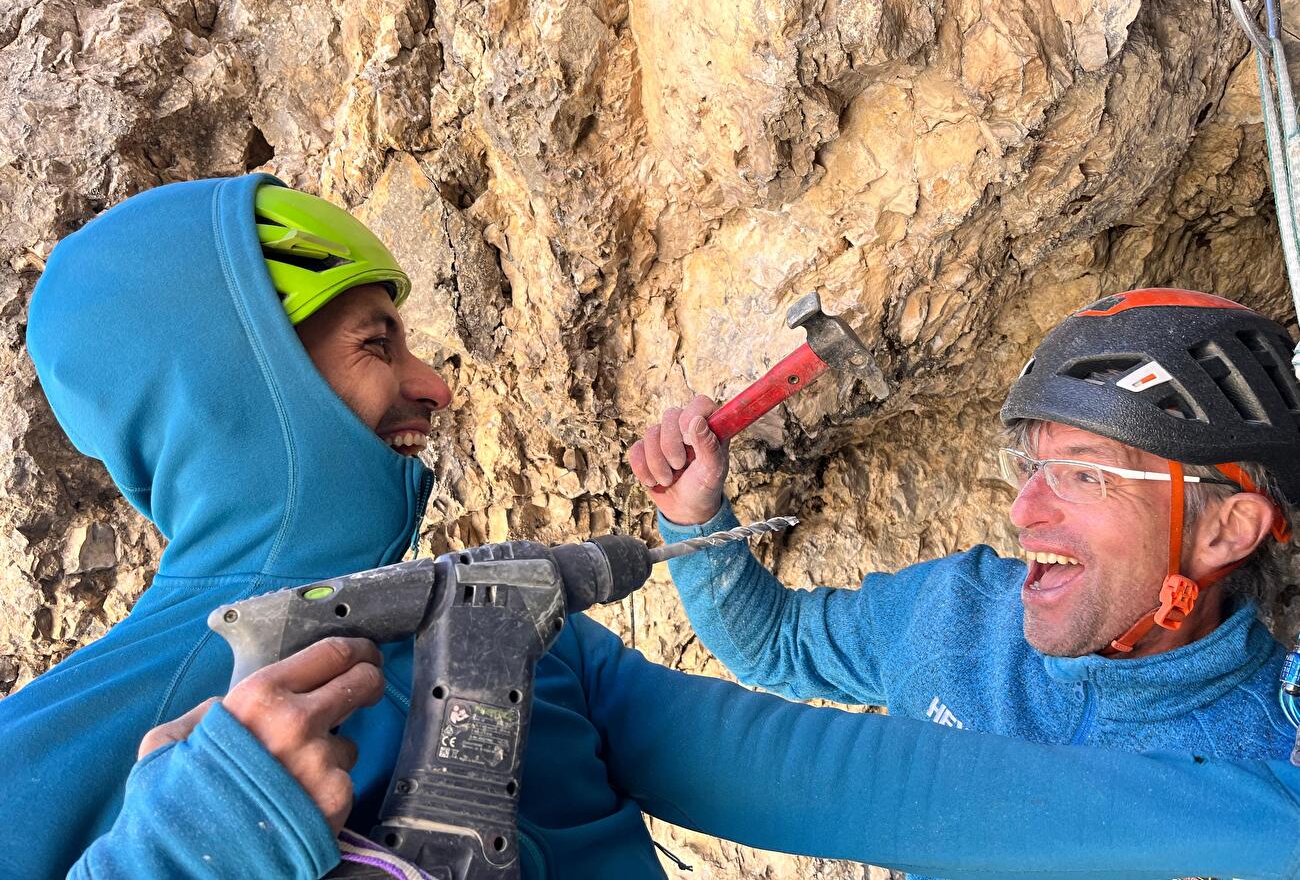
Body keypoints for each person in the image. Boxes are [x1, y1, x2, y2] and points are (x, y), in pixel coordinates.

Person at [2, 175, 1298, 880]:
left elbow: (893, 786)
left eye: (1088, 473)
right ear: (250, 388)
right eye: (374, 341)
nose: (436, 385)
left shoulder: (501, 639)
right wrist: (198, 842)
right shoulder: (49, 754)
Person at [632, 290, 1300, 782]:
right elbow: (776, 643)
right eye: (1031, 467)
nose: (1024, 508)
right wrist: (695, 516)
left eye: (1083, 473)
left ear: (1225, 529)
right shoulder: (954, 615)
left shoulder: (1274, 764)